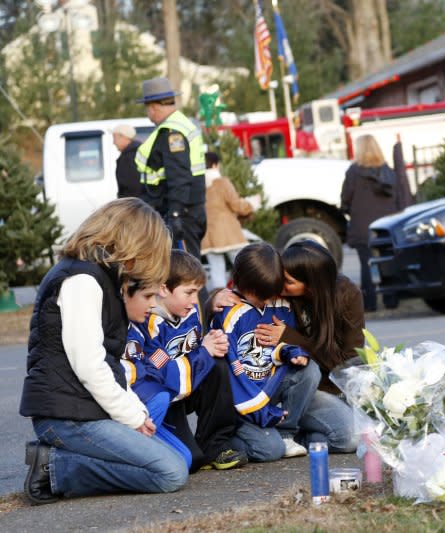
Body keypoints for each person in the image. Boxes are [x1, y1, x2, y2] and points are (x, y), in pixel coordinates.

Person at [20, 198, 188, 505]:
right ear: (133, 246)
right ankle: (53, 465)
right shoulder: (82, 281)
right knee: (171, 472)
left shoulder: (100, 280)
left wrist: (134, 408)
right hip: (66, 418)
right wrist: (131, 417)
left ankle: (62, 461)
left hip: (83, 412)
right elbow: (89, 364)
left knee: (178, 459)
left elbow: (110, 365)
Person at [138, 249, 247, 472]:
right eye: (188, 292)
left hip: (189, 382)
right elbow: (165, 375)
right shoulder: (148, 323)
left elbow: (200, 345)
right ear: (163, 289)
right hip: (167, 396)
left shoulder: (191, 308)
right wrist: (204, 351)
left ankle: (215, 444)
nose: (193, 300)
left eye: (197, 292)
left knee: (218, 366)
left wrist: (214, 341)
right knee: (192, 462)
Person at [211, 242, 320, 462]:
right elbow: (234, 370)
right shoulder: (229, 311)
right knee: (270, 451)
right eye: (263, 296)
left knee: (310, 370)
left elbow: (279, 346)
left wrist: (292, 352)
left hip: (269, 387)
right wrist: (260, 411)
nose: (270, 300)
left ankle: (287, 433)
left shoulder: (281, 305)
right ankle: (223, 441)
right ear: (247, 287)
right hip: (242, 400)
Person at [255, 240, 362, 453]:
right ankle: (285, 433)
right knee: (350, 437)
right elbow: (244, 292)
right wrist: (216, 299)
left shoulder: (346, 295)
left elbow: (349, 364)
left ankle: (306, 437)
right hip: (298, 387)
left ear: (312, 285)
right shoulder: (279, 295)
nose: (280, 285)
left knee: (354, 438)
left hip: (334, 389)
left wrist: (291, 338)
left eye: (288, 281)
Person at [120, 280, 192, 470]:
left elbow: (159, 361)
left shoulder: (139, 325)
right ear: (124, 292)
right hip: (122, 409)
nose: (153, 304)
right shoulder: (109, 327)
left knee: (185, 458)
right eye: (147, 296)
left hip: (143, 402)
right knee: (160, 397)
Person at [135, 77, 207, 257]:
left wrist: (175, 214)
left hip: (182, 214)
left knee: (186, 274)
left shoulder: (171, 132)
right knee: (186, 271)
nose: (148, 114)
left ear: (154, 107)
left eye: (147, 109)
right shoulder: (180, 124)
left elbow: (179, 176)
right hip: (189, 210)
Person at [341, 135, 407, 312]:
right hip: (386, 227)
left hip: (362, 227)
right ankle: (391, 300)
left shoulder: (354, 172)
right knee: (387, 262)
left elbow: (345, 198)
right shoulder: (388, 172)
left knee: (366, 265)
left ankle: (369, 304)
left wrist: (349, 210)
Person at [201, 152, 253, 291]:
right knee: (243, 265)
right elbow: (236, 204)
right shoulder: (221, 182)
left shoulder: (198, 185)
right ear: (215, 165)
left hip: (208, 235)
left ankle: (221, 304)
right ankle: (248, 295)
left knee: (217, 272)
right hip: (228, 234)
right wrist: (250, 205)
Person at [112, 124, 142, 198]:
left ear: (123, 137)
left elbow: (133, 187)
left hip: (134, 204)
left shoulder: (130, 156)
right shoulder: (134, 152)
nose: (113, 142)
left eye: (114, 138)